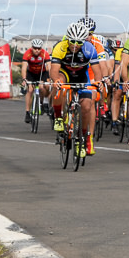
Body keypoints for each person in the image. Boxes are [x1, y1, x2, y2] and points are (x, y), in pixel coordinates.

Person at [48, 21, 103, 157]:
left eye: (79, 42)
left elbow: (97, 71)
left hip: (81, 76)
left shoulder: (89, 49)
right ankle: (58, 118)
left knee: (86, 106)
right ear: (67, 38)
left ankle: (82, 138)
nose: (75, 45)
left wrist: (98, 82)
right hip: (65, 73)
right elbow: (54, 70)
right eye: (72, 41)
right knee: (59, 83)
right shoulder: (60, 47)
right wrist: (55, 81)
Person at [20, 38, 51, 123]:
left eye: (39, 48)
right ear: (32, 47)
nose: (37, 50)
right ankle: (27, 112)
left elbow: (49, 66)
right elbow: (24, 67)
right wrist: (24, 79)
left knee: (42, 87)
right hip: (31, 73)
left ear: (41, 48)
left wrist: (50, 77)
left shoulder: (45, 53)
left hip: (42, 73)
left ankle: (41, 103)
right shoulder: (27, 54)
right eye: (35, 48)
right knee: (30, 90)